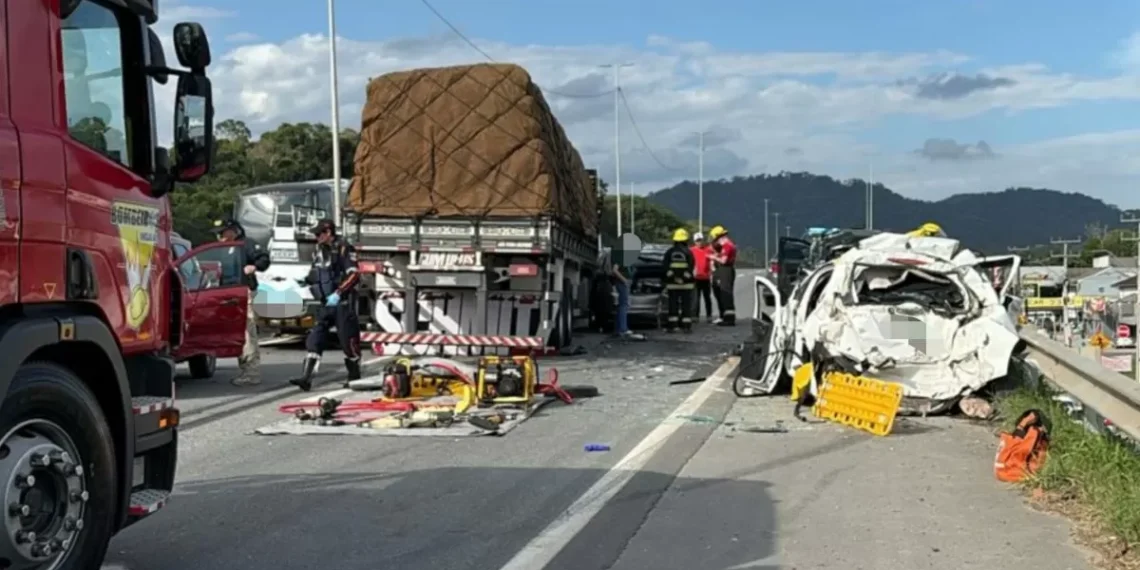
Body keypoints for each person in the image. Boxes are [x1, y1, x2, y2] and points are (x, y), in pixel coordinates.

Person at [290, 219, 363, 391]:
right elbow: (318, 273)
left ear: (328, 233)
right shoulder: (319, 251)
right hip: (325, 304)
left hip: (342, 303)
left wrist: (338, 293)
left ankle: (354, 377)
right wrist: (305, 280)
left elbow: (354, 275)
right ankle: (306, 378)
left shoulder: (344, 248)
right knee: (315, 338)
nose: (316, 237)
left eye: (318, 234)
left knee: (348, 342)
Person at [213, 218, 271, 386]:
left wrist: (254, 267)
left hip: (244, 292)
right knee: (237, 332)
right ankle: (244, 366)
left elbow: (264, 259)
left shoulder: (245, 245)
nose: (220, 236)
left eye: (222, 232)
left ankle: (251, 372)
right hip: (226, 294)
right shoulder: (222, 249)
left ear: (233, 230)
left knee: (247, 330)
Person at [663, 228, 696, 333]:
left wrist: (674, 278)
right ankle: (686, 326)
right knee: (686, 305)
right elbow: (691, 267)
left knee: (673, 305)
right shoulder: (689, 252)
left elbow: (665, 268)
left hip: (673, 284)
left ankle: (673, 326)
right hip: (686, 284)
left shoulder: (669, 252)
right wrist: (683, 278)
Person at [708, 225, 737, 326]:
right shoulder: (723, 246)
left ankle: (729, 319)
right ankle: (722, 316)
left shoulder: (727, 245)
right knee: (718, 292)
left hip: (726, 270)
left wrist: (713, 257)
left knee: (725, 294)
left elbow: (724, 261)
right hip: (721, 270)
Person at [690, 232, 715, 322]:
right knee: (696, 299)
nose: (699, 242)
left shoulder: (708, 250)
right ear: (694, 241)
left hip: (706, 278)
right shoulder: (691, 250)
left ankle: (709, 316)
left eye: (700, 240)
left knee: (707, 298)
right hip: (696, 278)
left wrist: (711, 271)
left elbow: (712, 261)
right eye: (697, 241)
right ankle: (695, 316)